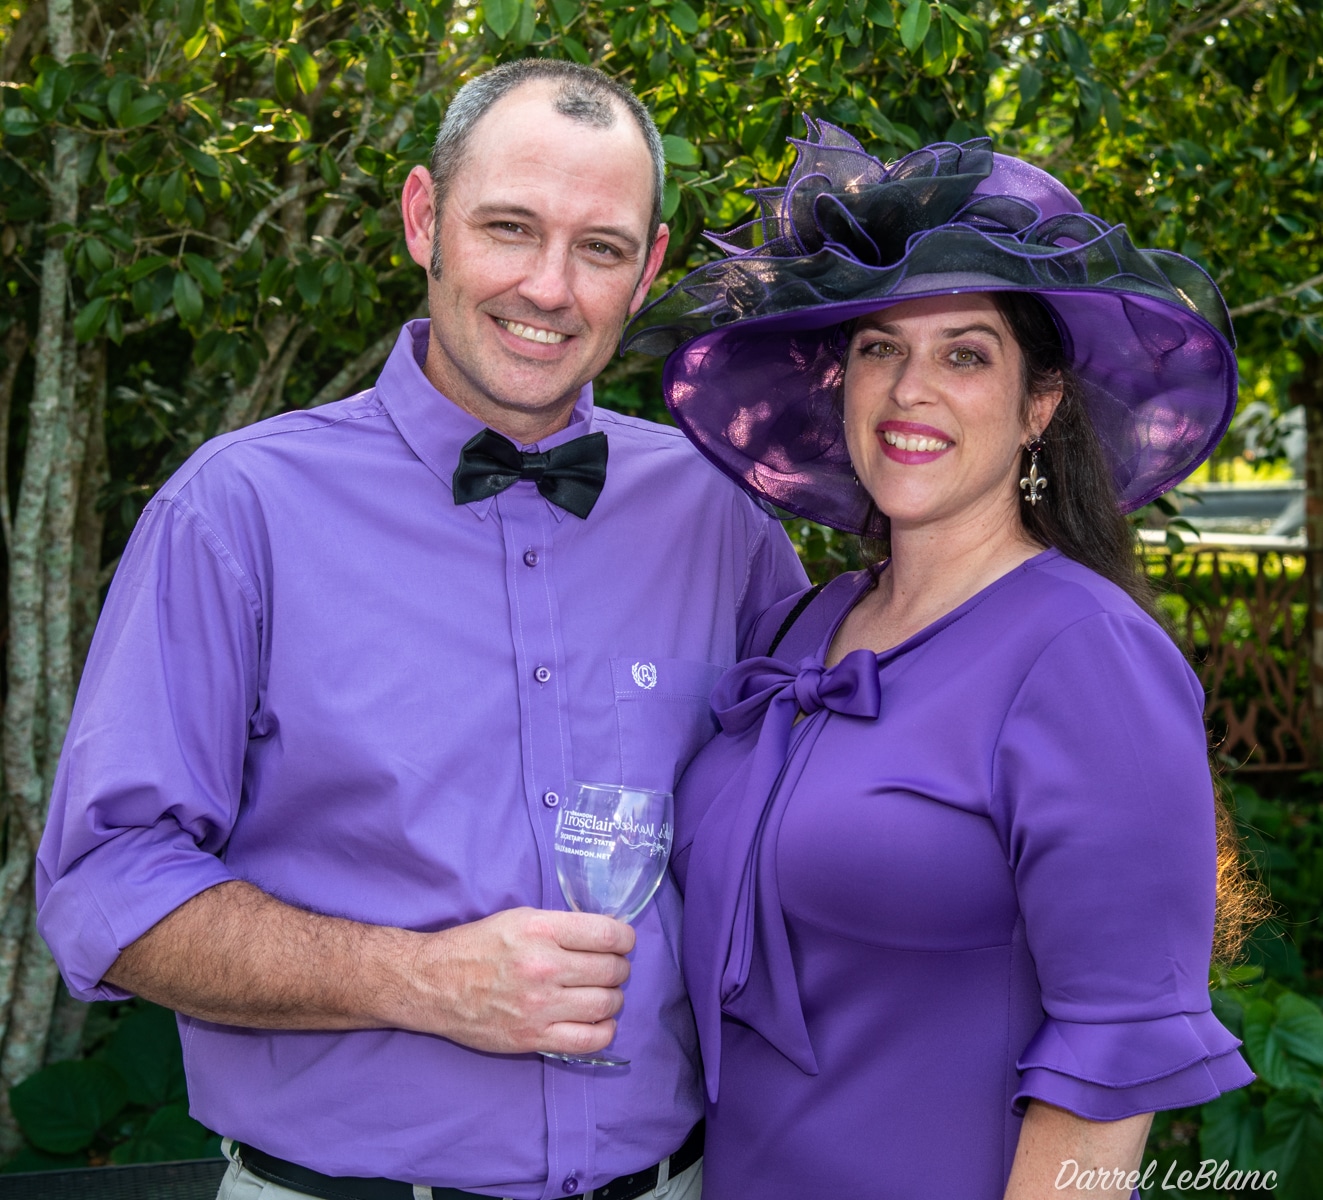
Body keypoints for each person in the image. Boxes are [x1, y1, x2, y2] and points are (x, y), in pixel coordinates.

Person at [35, 61, 807, 1200]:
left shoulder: (721, 518)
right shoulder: (236, 512)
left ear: (646, 272)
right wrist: (420, 979)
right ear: (422, 219)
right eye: (509, 227)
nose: (549, 287)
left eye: (598, 248)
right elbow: (106, 885)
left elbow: (815, 823)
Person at [622, 120, 1255, 1200]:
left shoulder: (1087, 654)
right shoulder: (798, 626)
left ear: (1039, 406)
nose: (911, 388)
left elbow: (1110, 1082)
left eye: (965, 354)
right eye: (881, 349)